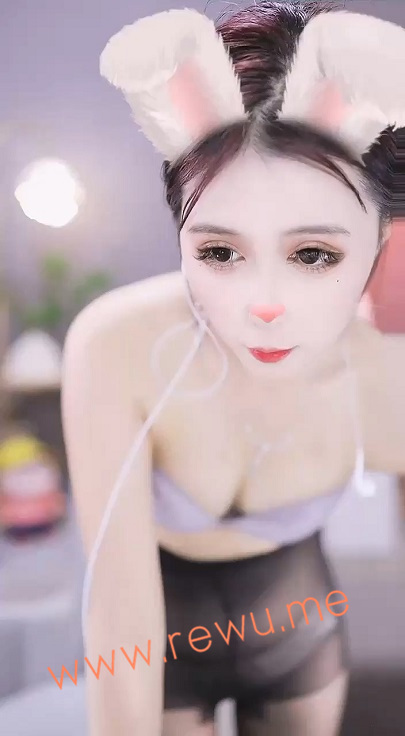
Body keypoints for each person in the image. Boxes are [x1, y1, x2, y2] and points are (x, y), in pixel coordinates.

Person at [61, 3, 405, 735]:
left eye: (312, 254)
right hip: (150, 644)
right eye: (219, 251)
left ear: (381, 237)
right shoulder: (119, 345)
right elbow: (118, 605)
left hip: (299, 638)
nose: (263, 305)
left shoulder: (389, 382)